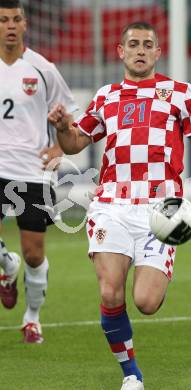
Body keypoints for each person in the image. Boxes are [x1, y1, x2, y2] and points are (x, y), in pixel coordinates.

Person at [48, 21, 191, 390]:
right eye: (132, 44)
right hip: (111, 204)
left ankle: (155, 269)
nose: (139, 50)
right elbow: (74, 143)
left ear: (157, 52)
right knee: (109, 292)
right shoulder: (106, 96)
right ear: (120, 51)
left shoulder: (180, 93)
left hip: (161, 210)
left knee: (146, 302)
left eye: (147, 44)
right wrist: (60, 128)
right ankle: (131, 375)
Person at [0, 0, 78, 343]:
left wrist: (59, 147)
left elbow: (69, 116)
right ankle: (7, 265)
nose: (11, 26)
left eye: (16, 19)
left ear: (26, 24)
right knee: (20, 257)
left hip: (32, 171)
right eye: (3, 20)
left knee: (34, 253)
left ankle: (32, 317)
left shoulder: (43, 69)